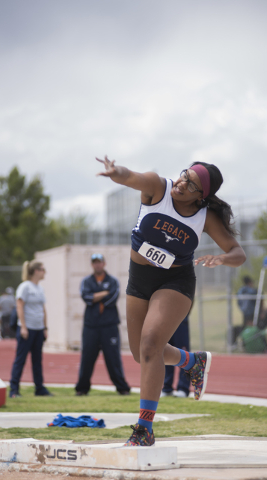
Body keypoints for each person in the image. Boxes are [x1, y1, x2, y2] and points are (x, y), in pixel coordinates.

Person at [96, 155, 246, 446]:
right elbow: (131, 177)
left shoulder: (205, 217)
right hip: (139, 278)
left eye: (190, 184)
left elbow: (238, 252)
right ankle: (192, 362)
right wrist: (116, 172)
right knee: (142, 354)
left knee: (151, 345)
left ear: (202, 196)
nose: (181, 183)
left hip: (175, 282)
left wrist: (223, 258)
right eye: (183, 175)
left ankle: (144, 429)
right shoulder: (158, 187)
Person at [75, 253, 131, 396]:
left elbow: (112, 298)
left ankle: (122, 388)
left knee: (113, 357)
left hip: (109, 325)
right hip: (90, 326)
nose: (97, 264)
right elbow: (86, 297)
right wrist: (102, 293)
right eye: (95, 262)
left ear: (104, 263)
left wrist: (95, 296)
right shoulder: (87, 281)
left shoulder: (112, 280)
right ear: (92, 264)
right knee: (87, 357)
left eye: (99, 262)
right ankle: (82, 388)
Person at [9, 260, 52, 398]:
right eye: (42, 269)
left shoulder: (40, 288)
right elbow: (19, 306)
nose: (44, 272)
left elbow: (43, 309)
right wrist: (23, 327)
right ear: (35, 271)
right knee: (20, 359)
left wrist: (45, 327)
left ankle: (39, 388)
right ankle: (14, 390)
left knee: (37, 360)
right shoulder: (25, 287)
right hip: (27, 329)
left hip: (39, 329)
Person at [161, 314, 190, 398]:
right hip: (164, 320)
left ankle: (183, 388)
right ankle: (167, 387)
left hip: (180, 319)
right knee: (165, 352)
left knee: (184, 353)